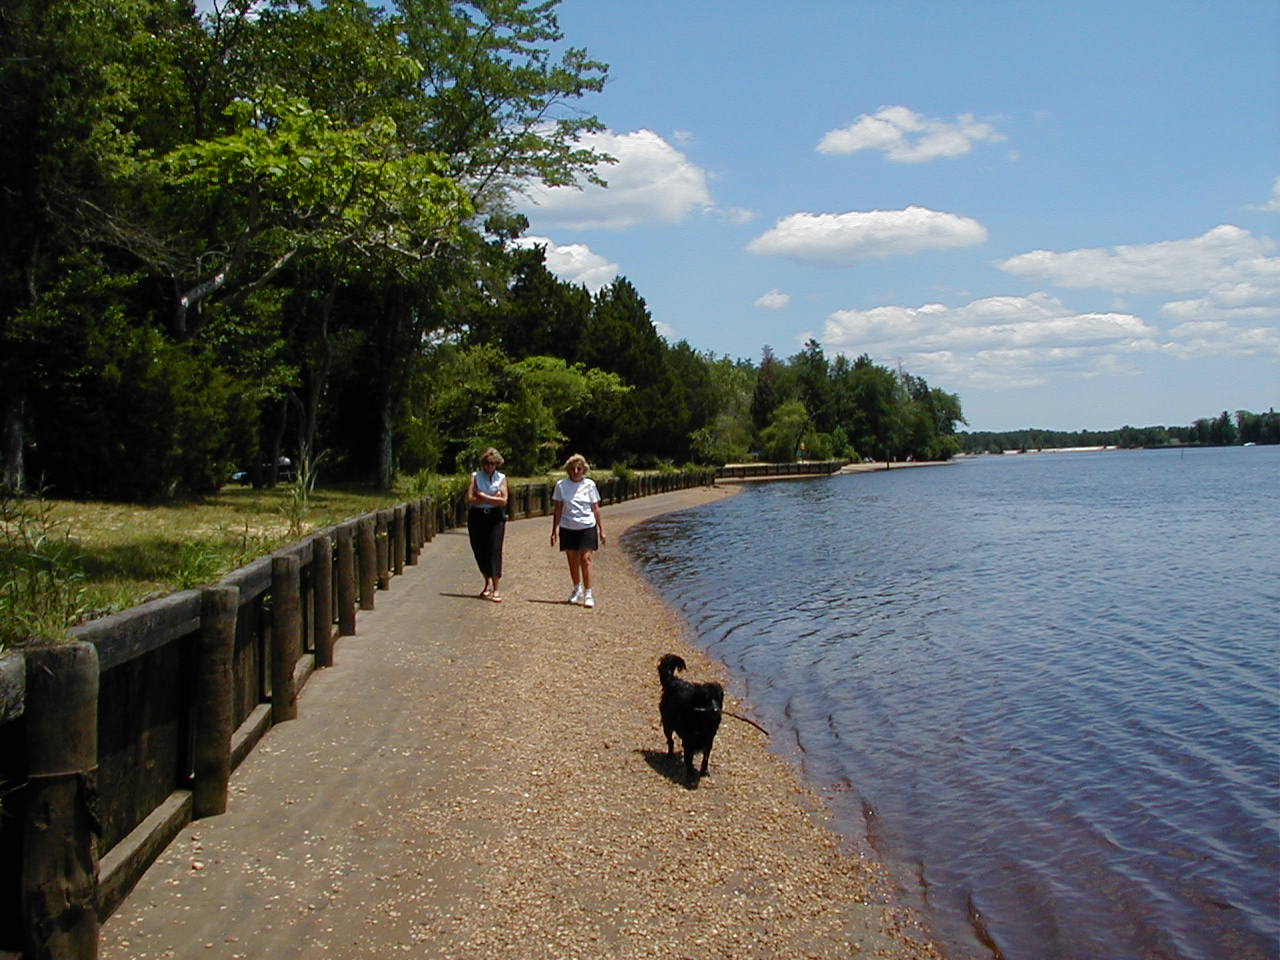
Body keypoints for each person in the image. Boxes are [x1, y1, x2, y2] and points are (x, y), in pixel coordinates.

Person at [551, 453, 606, 608]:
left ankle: (589, 593)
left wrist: (601, 530)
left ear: (584, 470)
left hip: (587, 526)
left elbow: (595, 508)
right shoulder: (561, 485)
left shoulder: (590, 485)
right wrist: (554, 531)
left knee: (586, 560)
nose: (576, 471)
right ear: (568, 470)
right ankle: (577, 588)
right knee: (572, 560)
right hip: (568, 526)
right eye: (573, 468)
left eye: (579, 468)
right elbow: (558, 509)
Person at [467, 448, 509, 601]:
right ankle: (487, 582)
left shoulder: (501, 478)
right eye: (487, 464)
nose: (489, 467)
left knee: (494, 549)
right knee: (479, 549)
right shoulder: (475, 477)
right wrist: (493, 498)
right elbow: (470, 499)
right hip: (477, 517)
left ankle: (496, 587)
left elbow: (503, 500)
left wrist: (483, 496)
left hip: (495, 517)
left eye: (492, 464)